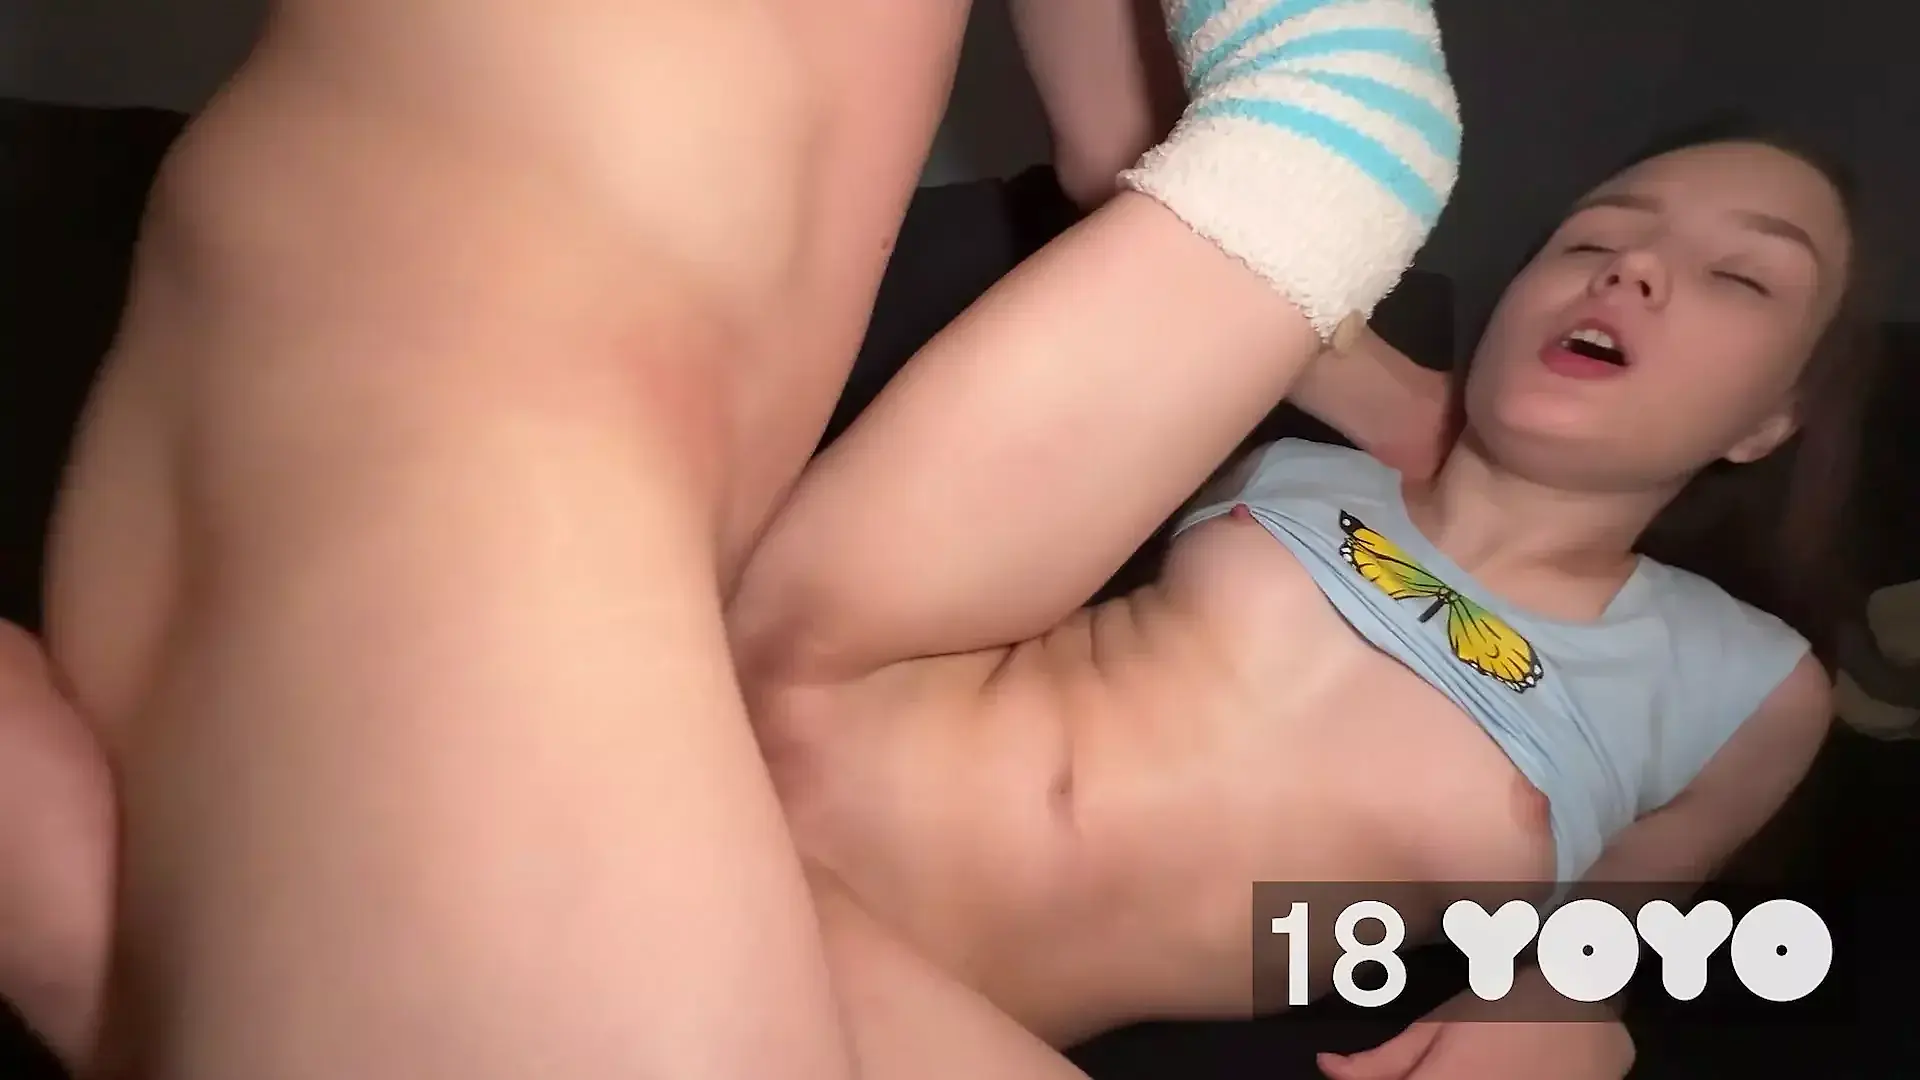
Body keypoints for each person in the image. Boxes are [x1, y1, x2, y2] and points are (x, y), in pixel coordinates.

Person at [0, 0, 1465, 1077]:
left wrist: (1555, 974)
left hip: (423, 454)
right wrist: (1411, 412)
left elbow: (1126, 138)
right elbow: (1348, 115)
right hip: (489, 451)